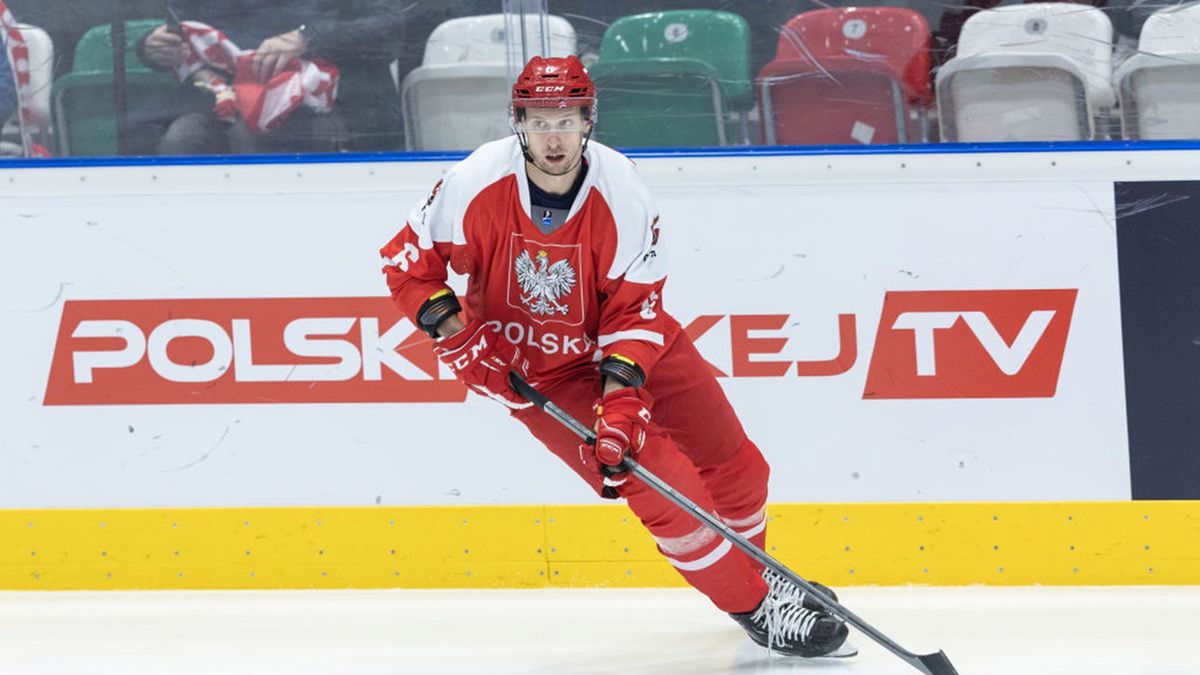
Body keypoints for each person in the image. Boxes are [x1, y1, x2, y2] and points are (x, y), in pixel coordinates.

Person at [379, 55, 851, 657]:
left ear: (588, 120)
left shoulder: (621, 189)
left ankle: (761, 577)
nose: (555, 135)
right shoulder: (476, 182)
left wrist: (623, 402)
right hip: (544, 375)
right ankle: (756, 607)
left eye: (569, 118)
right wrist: (460, 338)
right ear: (518, 121)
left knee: (739, 468)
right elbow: (405, 265)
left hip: (639, 347)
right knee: (663, 486)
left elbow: (635, 312)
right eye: (541, 119)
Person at [137, 0, 407, 154]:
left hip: (328, 106)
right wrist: (155, 48)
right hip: (228, 104)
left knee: (253, 137)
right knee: (182, 139)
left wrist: (309, 38)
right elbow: (183, 37)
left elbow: (389, 33)